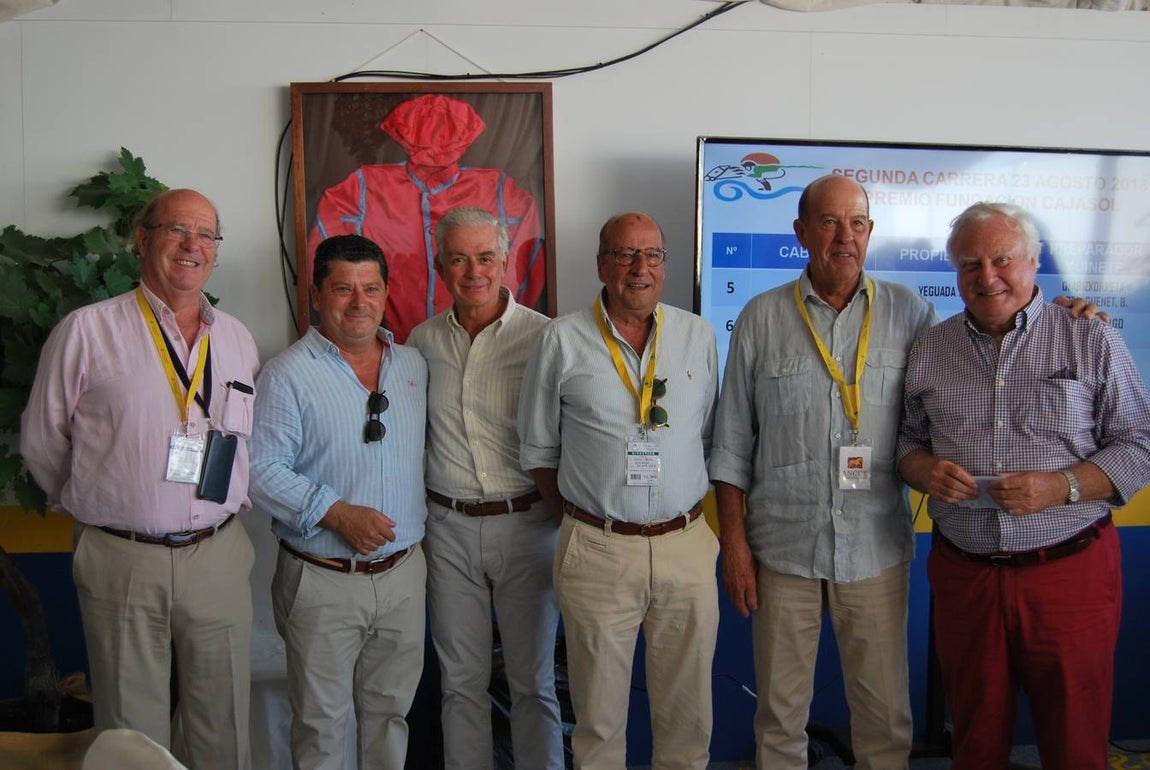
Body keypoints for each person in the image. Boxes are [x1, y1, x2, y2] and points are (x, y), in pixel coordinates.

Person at [896, 202, 1150, 770]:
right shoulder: (931, 349)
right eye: (969, 264)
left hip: (1070, 574)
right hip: (967, 574)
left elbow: (1141, 443)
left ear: (1034, 262)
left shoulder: (1090, 338)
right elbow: (905, 443)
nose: (987, 277)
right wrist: (923, 471)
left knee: (1075, 742)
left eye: (1002, 259)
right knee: (976, 741)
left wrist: (1062, 487)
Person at [21, 188, 259, 769]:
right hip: (122, 556)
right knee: (132, 735)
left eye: (206, 235)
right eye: (178, 229)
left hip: (218, 554)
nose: (192, 245)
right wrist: (106, 501)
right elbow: (43, 441)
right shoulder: (86, 331)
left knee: (223, 724)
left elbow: (241, 440)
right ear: (143, 240)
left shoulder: (236, 337)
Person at [709, 174, 930, 770]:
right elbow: (731, 444)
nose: (844, 237)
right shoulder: (759, 317)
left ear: (871, 232)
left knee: (884, 718)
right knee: (780, 719)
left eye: (856, 223)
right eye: (829, 223)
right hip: (782, 551)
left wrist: (1058, 314)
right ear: (801, 233)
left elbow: (960, 384)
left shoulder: (911, 313)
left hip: (875, 549)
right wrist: (734, 543)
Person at [518, 212, 720, 770]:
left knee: (688, 718)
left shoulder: (697, 335)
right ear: (602, 263)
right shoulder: (560, 339)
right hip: (598, 547)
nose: (640, 268)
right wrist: (587, 522)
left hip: (686, 544)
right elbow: (538, 452)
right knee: (599, 723)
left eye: (653, 255)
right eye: (626, 255)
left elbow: (706, 436)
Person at [248, 234, 428, 770]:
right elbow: (260, 471)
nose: (359, 302)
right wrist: (336, 512)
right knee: (321, 723)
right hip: (322, 577)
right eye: (343, 289)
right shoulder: (286, 374)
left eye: (371, 288)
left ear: (385, 292)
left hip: (403, 576)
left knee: (389, 717)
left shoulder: (414, 365)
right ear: (318, 296)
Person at [407, 206, 563, 770]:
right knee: (460, 683)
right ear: (440, 264)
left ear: (506, 262)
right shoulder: (419, 341)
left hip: (528, 527)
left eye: (485, 257)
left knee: (533, 681)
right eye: (458, 258)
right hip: (446, 529)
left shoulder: (546, 337)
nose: (473, 270)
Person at [307, 94, 547, 342]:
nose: (435, 152)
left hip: (486, 335)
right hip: (389, 344)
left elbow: (529, 257)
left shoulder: (496, 187)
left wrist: (503, 316)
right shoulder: (366, 186)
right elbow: (323, 255)